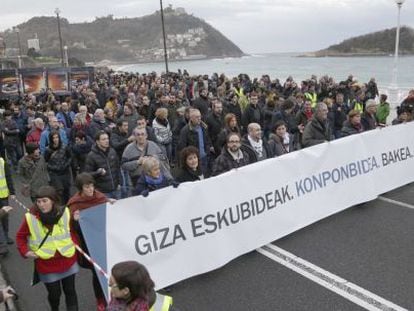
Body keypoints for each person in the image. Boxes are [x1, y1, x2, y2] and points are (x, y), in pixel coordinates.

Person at [16, 186, 79, 311]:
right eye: (38, 201)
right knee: (55, 295)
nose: (41, 205)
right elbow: (20, 236)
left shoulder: (65, 212)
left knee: (70, 291)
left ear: (53, 200)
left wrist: (74, 236)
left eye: (45, 201)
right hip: (47, 264)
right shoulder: (31, 218)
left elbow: (71, 231)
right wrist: (25, 252)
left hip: (68, 259)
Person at [68, 173, 114, 311]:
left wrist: (112, 205)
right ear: (80, 188)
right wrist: (76, 221)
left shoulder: (101, 198)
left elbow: (110, 215)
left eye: (92, 186)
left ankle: (113, 297)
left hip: (105, 240)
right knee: (97, 273)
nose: (90, 189)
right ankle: (100, 299)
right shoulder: (75, 203)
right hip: (89, 244)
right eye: (87, 187)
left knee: (111, 270)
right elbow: (71, 228)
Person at [108, 261, 173, 311]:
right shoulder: (118, 300)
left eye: (111, 284)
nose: (109, 285)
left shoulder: (159, 308)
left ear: (125, 291)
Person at [85, 131, 120, 199]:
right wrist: (98, 173)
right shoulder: (91, 156)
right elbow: (87, 175)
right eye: (103, 139)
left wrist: (119, 183)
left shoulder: (112, 151)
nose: (107, 141)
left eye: (107, 139)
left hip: (116, 189)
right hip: (103, 192)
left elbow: (118, 168)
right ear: (97, 142)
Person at [44, 131, 72, 204]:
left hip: (65, 171)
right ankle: (60, 206)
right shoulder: (48, 150)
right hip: (55, 173)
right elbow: (45, 162)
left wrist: (66, 164)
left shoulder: (64, 146)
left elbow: (70, 157)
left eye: (57, 137)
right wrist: (53, 167)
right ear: (51, 139)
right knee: (59, 191)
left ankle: (68, 204)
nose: (55, 139)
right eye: (53, 138)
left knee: (67, 189)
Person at [0, 153, 16, 254]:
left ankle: (5, 236)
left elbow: (8, 176)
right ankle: (2, 244)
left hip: (3, 195)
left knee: (5, 218)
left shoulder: (1, 162)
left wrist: (12, 191)